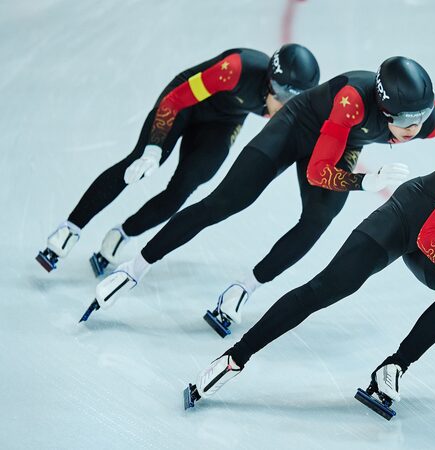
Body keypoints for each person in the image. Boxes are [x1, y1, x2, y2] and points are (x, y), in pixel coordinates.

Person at [185, 130, 435, 415]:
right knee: (328, 287)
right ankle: (235, 358)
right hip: (404, 222)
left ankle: (394, 366)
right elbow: (427, 235)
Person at [84, 56, 435, 328]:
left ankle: (244, 288)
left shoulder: (427, 121)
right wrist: (363, 182)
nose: (412, 129)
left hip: (341, 143)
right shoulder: (352, 100)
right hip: (296, 128)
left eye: (421, 117)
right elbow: (320, 172)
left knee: (317, 220)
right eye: (401, 122)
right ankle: (135, 268)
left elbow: (412, 128)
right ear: (383, 110)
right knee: (224, 203)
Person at [36, 44, 321, 276]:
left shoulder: (287, 102)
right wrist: (153, 148)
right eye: (283, 98)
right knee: (136, 165)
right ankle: (70, 228)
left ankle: (123, 234)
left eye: (295, 101)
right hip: (184, 104)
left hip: (222, 123)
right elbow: (175, 101)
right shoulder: (235, 70)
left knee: (184, 188)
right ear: (271, 83)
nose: (286, 107)